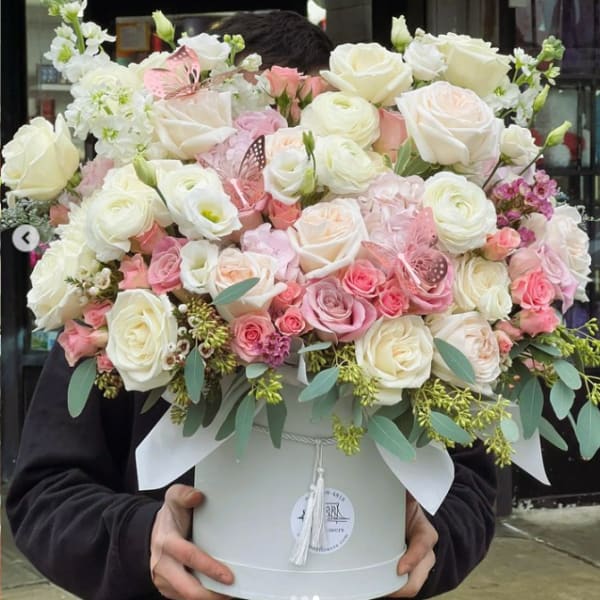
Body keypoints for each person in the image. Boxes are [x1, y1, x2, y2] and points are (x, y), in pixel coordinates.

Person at [6, 10, 497, 600]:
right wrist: (142, 543)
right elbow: (45, 494)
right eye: (255, 143)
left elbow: (470, 483)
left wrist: (431, 545)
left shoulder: (409, 298)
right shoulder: (126, 295)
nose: (283, 166)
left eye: (307, 138)